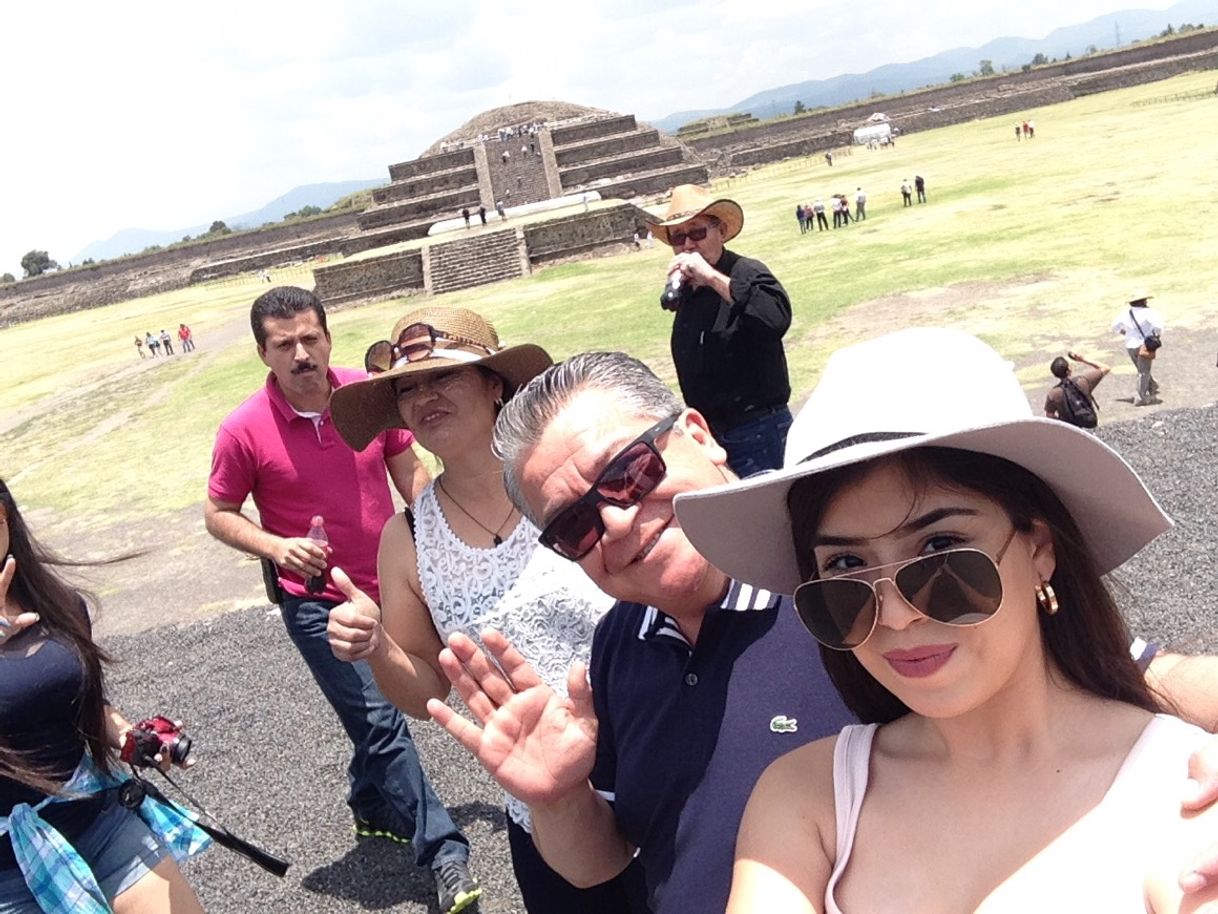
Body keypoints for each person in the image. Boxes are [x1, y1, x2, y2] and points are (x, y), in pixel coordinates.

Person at [429, 349, 1218, 914]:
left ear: (698, 433)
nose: (617, 519)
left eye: (631, 472)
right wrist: (561, 801)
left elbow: (1123, 676)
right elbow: (610, 861)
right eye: (572, 525)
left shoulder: (843, 608)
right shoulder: (621, 647)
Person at [672, 328, 1218, 913]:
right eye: (847, 566)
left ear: (1039, 548)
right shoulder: (809, 798)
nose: (900, 616)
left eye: (941, 550)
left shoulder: (1182, 791)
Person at [324, 308, 648, 914]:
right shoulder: (410, 536)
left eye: (444, 377)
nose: (424, 396)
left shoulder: (561, 483)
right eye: (408, 387)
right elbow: (425, 692)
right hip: (544, 793)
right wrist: (377, 647)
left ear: (494, 384)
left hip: (653, 747)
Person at [202, 287, 480, 914]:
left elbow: (410, 474)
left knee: (385, 711)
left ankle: (370, 803)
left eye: (310, 338)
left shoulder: (366, 397)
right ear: (262, 353)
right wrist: (275, 547)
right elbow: (218, 512)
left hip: (390, 584)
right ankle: (444, 853)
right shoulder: (244, 429)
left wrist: (439, 533)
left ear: (328, 336)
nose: (301, 354)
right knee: (381, 718)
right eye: (284, 345)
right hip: (318, 601)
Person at [0, 478, 209, 912]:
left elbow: (84, 709)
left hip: (99, 819)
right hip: (8, 869)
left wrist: (133, 739)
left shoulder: (57, 604)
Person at [649, 184, 793, 477]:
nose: (688, 244)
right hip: (716, 436)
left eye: (697, 232)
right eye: (679, 237)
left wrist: (713, 279)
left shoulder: (746, 272)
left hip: (758, 431)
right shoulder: (690, 290)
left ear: (722, 231)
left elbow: (774, 319)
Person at [1113, 294, 1164, 406]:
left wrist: (1126, 333)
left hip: (1130, 345)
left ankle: (1152, 386)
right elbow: (1158, 327)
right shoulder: (1149, 313)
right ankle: (1141, 397)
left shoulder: (1125, 314)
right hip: (1144, 345)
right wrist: (1154, 337)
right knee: (1143, 371)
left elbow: (1115, 327)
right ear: (1143, 301)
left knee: (1141, 368)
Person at [1044, 351, 1108, 425]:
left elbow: (1050, 415)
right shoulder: (1082, 381)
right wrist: (1083, 359)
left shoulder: (1053, 394)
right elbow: (1105, 368)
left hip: (1071, 429)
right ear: (1069, 370)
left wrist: (1064, 425)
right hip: (1089, 422)